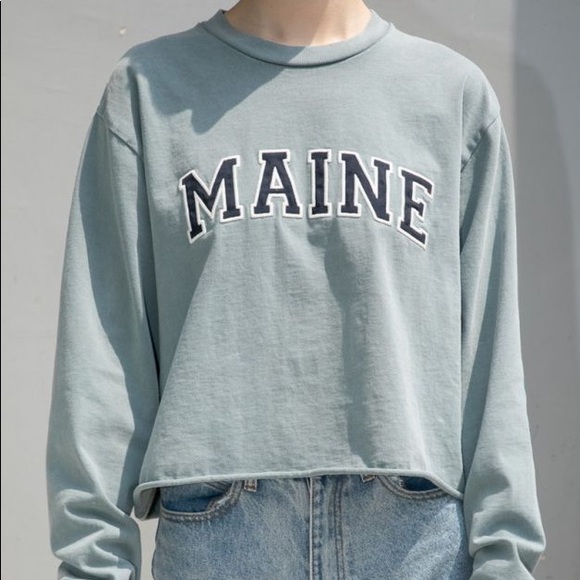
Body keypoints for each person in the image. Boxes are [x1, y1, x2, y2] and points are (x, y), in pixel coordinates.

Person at [46, 0, 546, 578]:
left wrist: (505, 557)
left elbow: (489, 350)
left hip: (414, 535)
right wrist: (93, 562)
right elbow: (103, 351)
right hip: (218, 535)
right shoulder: (147, 90)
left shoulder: (451, 94)